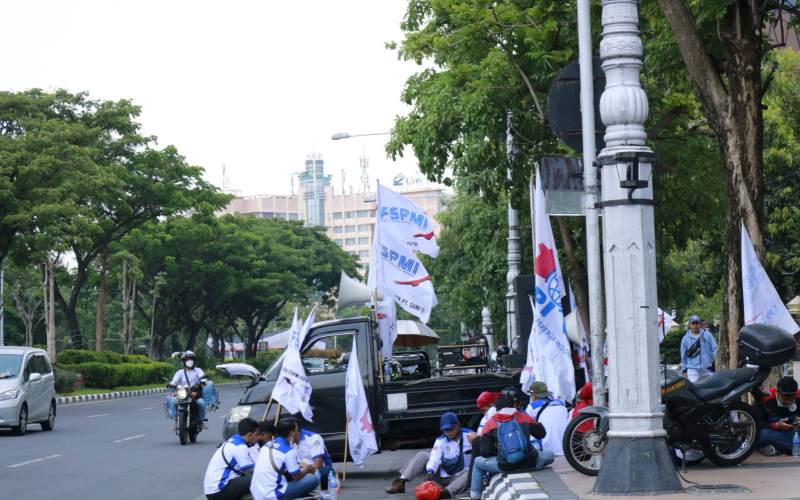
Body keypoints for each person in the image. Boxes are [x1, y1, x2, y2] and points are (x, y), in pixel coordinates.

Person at [467, 394, 554, 500]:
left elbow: (486, 452)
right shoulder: (524, 417)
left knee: (477, 462)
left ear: (496, 408)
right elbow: (541, 434)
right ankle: (534, 466)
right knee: (550, 455)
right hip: (530, 462)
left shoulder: (490, 423)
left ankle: (474, 496)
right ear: (514, 405)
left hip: (505, 466)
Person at [385, 412, 475, 498]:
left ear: (457, 425)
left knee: (471, 471)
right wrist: (430, 473)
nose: (448, 432)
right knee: (422, 455)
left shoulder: (470, 435)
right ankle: (401, 482)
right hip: (443, 476)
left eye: (451, 429)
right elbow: (434, 458)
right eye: (445, 430)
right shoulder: (440, 441)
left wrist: (476, 441)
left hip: (461, 478)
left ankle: (445, 493)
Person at [250, 418, 319, 500]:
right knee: (313, 479)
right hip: (272, 495)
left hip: (256, 491)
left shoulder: (267, 445)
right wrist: (307, 469)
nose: (298, 433)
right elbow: (296, 477)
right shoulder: (288, 451)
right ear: (291, 433)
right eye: (297, 430)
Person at [203, 418, 260, 500]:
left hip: (211, 489)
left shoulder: (234, 439)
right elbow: (250, 471)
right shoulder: (240, 447)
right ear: (250, 435)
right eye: (257, 434)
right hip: (218, 490)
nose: (258, 438)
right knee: (258, 480)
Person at [758, 377, 800, 456]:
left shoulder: (799, 396)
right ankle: (793, 448)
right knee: (762, 435)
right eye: (785, 398)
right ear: (777, 392)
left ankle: (778, 448)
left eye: (792, 398)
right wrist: (775, 425)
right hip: (772, 432)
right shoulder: (764, 398)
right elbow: (755, 425)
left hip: (793, 434)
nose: (788, 401)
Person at [525, 381, 569, 455]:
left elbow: (527, 426)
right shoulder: (561, 403)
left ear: (533, 395)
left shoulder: (532, 407)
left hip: (548, 450)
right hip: (567, 448)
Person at [166, 351, 210, 422]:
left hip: (195, 393)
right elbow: (174, 381)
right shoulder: (180, 372)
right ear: (184, 361)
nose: (190, 361)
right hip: (183, 393)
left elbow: (203, 378)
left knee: (201, 403)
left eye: (191, 359)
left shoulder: (198, 370)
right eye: (187, 359)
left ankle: (201, 418)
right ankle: (175, 418)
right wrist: (171, 384)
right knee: (174, 401)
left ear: (194, 361)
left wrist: (203, 382)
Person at [296, 425, 334, 492]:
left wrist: (302, 473)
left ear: (294, 432)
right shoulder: (288, 440)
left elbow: (318, 463)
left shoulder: (314, 438)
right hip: (302, 470)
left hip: (319, 470)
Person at [680, 315, 717, 382]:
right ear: (689, 325)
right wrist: (684, 369)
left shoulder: (708, 335)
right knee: (693, 390)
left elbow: (715, 349)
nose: (695, 325)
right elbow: (683, 355)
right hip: (692, 370)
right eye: (693, 323)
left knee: (708, 389)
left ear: (700, 324)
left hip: (706, 368)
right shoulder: (685, 338)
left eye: (697, 323)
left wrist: (711, 361)